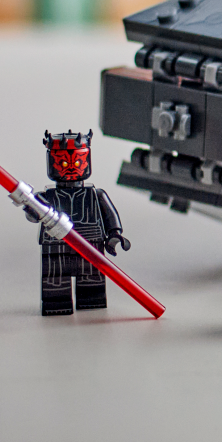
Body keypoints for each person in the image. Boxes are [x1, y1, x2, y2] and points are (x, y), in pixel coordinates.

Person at [38, 129, 129, 315]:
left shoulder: (96, 195)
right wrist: (32, 208)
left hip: (91, 242)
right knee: (55, 280)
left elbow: (110, 215)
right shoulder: (47, 196)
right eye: (64, 163)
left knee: (92, 281)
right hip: (56, 243)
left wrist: (114, 234)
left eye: (77, 162)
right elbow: (33, 216)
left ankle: (91, 300)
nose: (71, 167)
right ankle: (57, 303)